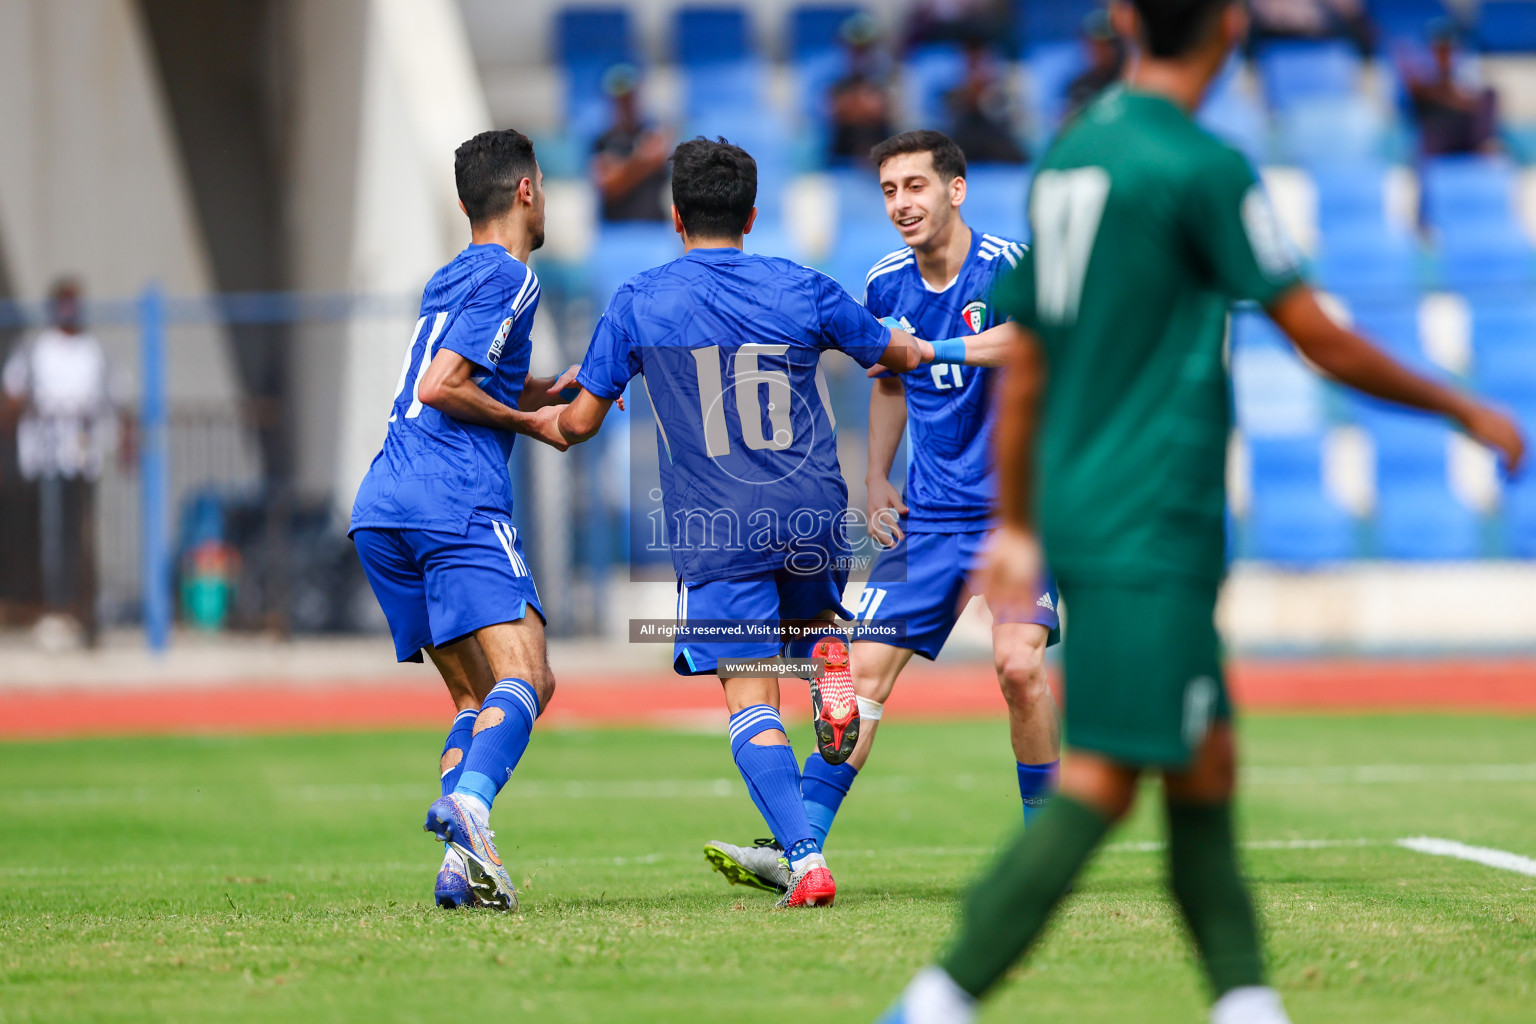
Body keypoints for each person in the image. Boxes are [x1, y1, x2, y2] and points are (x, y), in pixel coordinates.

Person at [878, 1, 1524, 1022]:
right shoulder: (1199, 166)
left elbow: (1034, 356)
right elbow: (1313, 330)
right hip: (1151, 518)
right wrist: (1464, 406)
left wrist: (1017, 521)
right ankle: (936, 999)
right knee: (1102, 780)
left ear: (1130, 23)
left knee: (1206, 767)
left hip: (1093, 507)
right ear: (1230, 29)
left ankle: (1246, 1001)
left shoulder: (1070, 158)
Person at [555, 137, 937, 909]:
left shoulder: (638, 298)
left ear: (674, 216)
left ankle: (803, 857)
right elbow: (894, 353)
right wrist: (919, 349)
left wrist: (522, 411)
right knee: (807, 642)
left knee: (749, 699)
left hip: (718, 526)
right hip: (814, 511)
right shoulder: (803, 285)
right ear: (753, 215)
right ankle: (827, 649)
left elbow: (578, 425)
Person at [703, 130, 1060, 895]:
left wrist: (932, 351)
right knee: (857, 677)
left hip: (1017, 513)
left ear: (955, 189)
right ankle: (796, 846)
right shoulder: (886, 280)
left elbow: (1027, 345)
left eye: (916, 186)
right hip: (928, 518)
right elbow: (888, 382)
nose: (902, 203)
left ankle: (1047, 848)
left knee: (1019, 666)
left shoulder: (1008, 266)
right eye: (890, 190)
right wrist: (875, 479)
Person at [349, 128, 578, 912]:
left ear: (462, 203)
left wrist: (539, 388)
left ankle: (462, 868)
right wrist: (537, 425)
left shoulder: (449, 275)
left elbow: (447, 372)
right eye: (542, 185)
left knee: (473, 703)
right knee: (530, 676)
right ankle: (473, 810)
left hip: (383, 505)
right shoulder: (515, 277)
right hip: (453, 500)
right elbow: (445, 386)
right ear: (524, 192)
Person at [2, 278, 120, 647]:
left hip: (84, 458)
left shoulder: (94, 351)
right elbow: (12, 394)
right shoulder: (36, 348)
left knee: (83, 536)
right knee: (51, 536)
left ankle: (84, 611)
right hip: (46, 457)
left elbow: (117, 397)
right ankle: (55, 609)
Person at [1403, 20, 1500, 157]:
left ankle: (1482, 146)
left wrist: (1452, 96)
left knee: (1490, 94)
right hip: (1436, 120)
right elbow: (1417, 92)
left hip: (1463, 121)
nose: (1445, 50)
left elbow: (1472, 97)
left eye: (1448, 45)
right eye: (1440, 46)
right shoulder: (1421, 63)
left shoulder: (1465, 62)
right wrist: (1448, 94)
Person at [590, 64, 672, 223]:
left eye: (630, 97)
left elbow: (663, 160)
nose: (627, 104)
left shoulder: (655, 131)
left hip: (655, 230)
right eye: (621, 99)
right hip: (617, 232)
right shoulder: (603, 141)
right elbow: (607, 186)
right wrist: (643, 159)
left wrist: (623, 169)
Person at [828, 15, 896, 166]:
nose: (860, 53)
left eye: (865, 48)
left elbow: (883, 111)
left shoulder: (887, 72)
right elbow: (833, 111)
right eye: (854, 48)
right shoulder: (832, 74)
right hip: (841, 143)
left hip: (878, 137)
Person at [945, 44, 1029, 164]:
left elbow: (1017, 153)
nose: (976, 76)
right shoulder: (952, 95)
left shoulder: (1002, 92)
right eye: (972, 66)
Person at [1064, 9, 1127, 120]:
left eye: (1104, 45)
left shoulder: (1130, 82)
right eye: (1092, 44)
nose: (1097, 51)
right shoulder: (1079, 87)